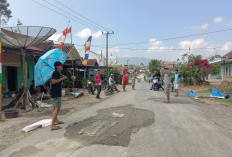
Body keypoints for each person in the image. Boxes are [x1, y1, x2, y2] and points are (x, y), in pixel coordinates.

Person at [50, 61, 67, 131]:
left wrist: (62, 77)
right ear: (57, 66)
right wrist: (62, 78)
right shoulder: (55, 73)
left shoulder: (58, 73)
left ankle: (56, 121)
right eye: (61, 66)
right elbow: (53, 81)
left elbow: (57, 80)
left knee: (55, 107)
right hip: (56, 92)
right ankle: (52, 125)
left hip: (55, 91)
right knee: (57, 108)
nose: (62, 67)